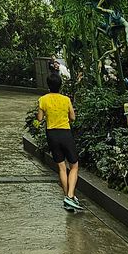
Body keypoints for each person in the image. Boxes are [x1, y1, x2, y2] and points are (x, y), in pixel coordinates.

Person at [37, 74, 83, 212]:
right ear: (60, 85)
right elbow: (73, 117)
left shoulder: (43, 100)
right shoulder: (66, 99)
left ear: (48, 85)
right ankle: (70, 196)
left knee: (62, 167)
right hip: (65, 133)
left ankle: (67, 197)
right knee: (74, 166)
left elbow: (39, 118)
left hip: (51, 134)